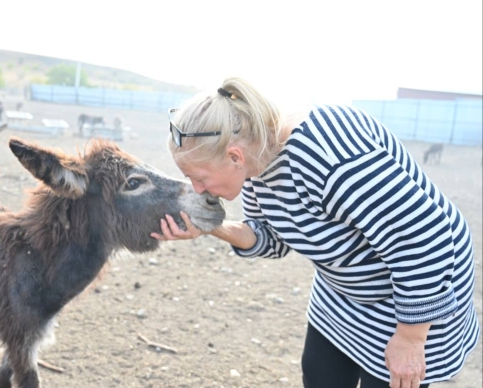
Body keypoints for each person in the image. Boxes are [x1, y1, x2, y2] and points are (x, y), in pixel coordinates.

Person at [151, 77, 480, 388]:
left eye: (198, 177)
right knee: (320, 373)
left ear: (233, 155)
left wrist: (410, 338)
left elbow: (424, 239)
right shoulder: (255, 162)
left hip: (417, 289)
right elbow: (270, 238)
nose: (197, 189)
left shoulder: (328, 157)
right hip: (343, 290)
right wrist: (212, 226)